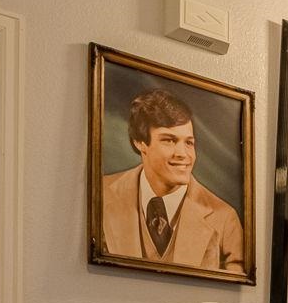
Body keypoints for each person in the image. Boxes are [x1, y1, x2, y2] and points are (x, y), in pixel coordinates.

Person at [98, 88, 246, 276]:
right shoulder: (100, 195)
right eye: (169, 141)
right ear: (140, 143)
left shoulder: (224, 219)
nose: (183, 154)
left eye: (189, 143)